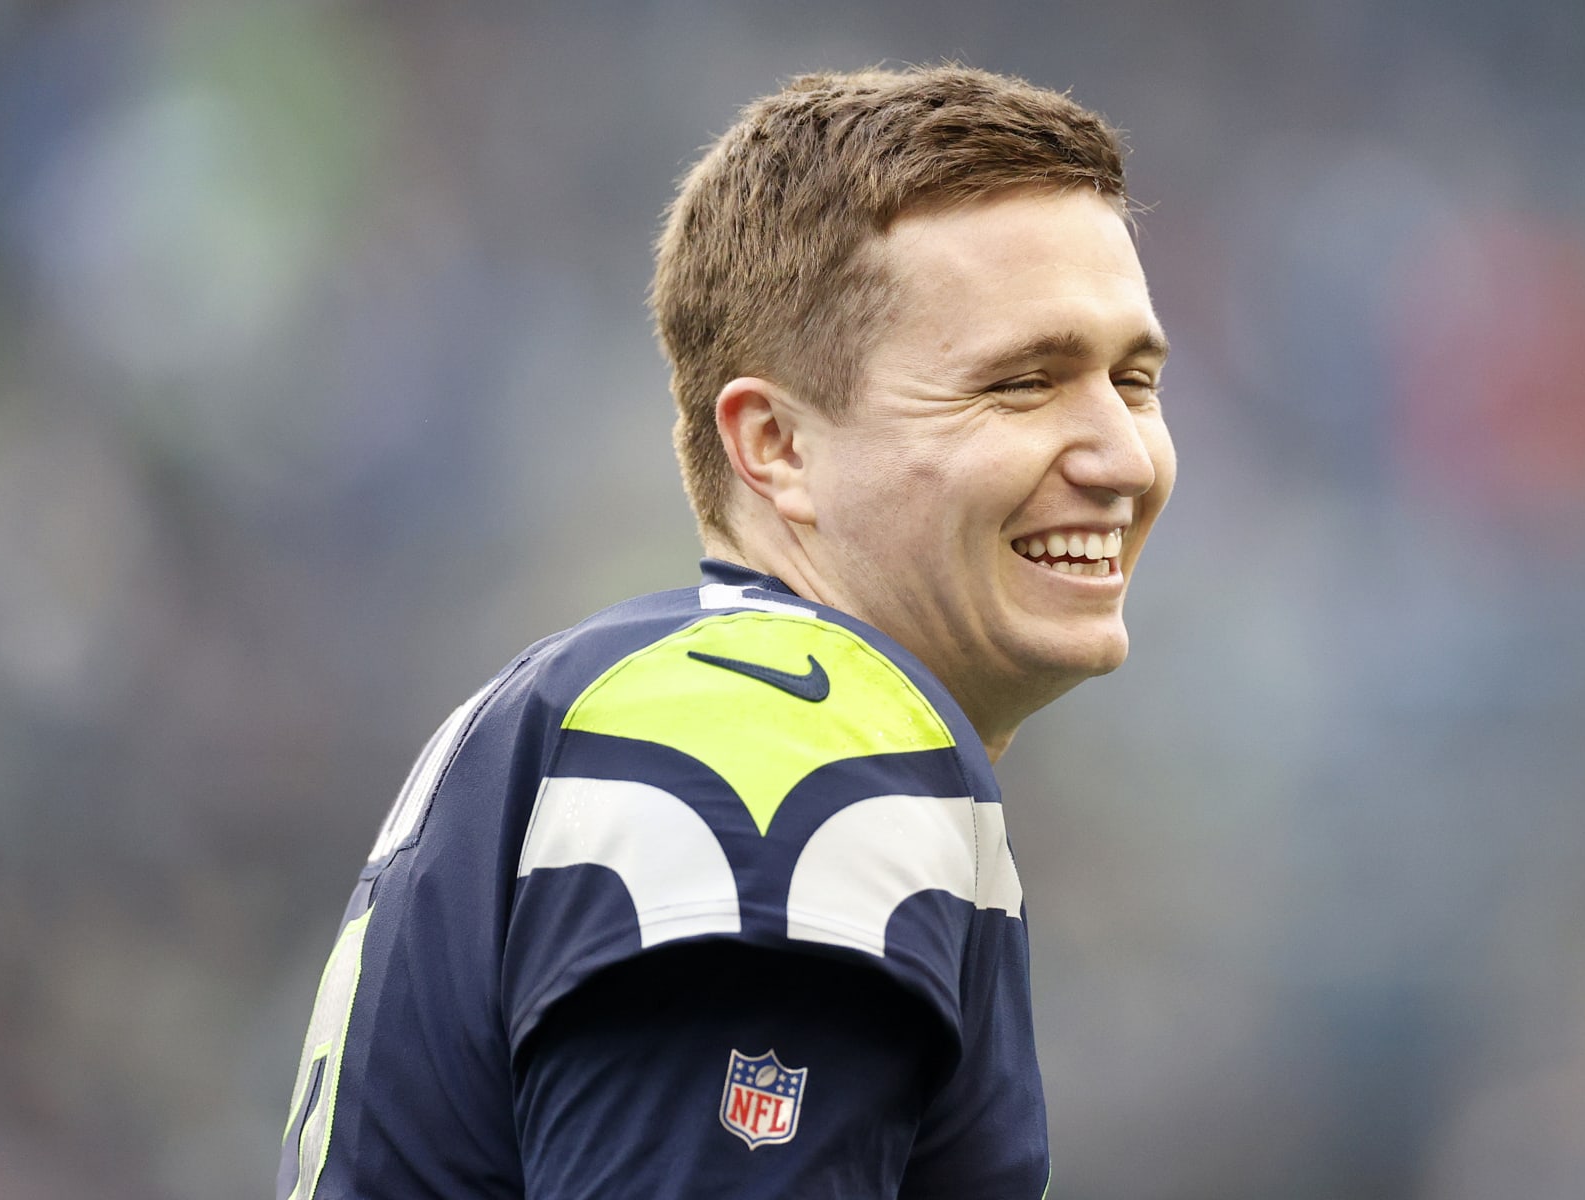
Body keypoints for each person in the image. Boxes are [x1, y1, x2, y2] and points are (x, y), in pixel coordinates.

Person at [277, 64, 1175, 1199]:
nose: (1125, 458)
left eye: (1134, 381)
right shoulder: (771, 741)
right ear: (776, 447)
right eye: (1023, 383)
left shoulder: (625, 702)